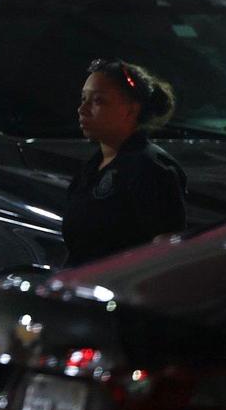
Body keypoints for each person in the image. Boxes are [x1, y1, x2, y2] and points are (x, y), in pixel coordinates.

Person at [63, 57, 186, 267]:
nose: (82, 109)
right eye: (83, 99)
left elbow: (164, 255)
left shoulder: (151, 168)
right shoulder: (94, 166)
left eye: (98, 101)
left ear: (131, 110)